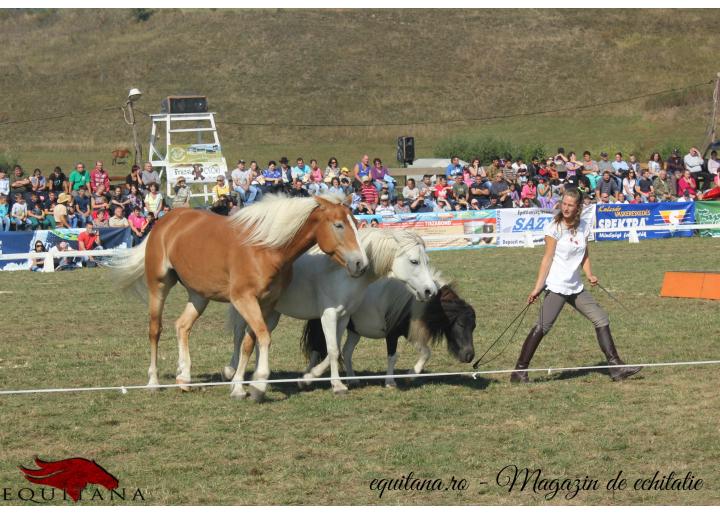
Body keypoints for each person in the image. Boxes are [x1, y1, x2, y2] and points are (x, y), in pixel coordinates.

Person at [510, 188, 642, 383]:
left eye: (570, 205)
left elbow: (584, 253)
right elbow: (546, 259)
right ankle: (519, 371)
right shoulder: (553, 228)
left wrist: (589, 274)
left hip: (576, 286)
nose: (566, 208)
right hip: (557, 286)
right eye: (564, 203)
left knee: (601, 318)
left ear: (578, 207)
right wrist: (537, 288)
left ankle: (615, 367)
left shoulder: (584, 227)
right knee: (543, 326)